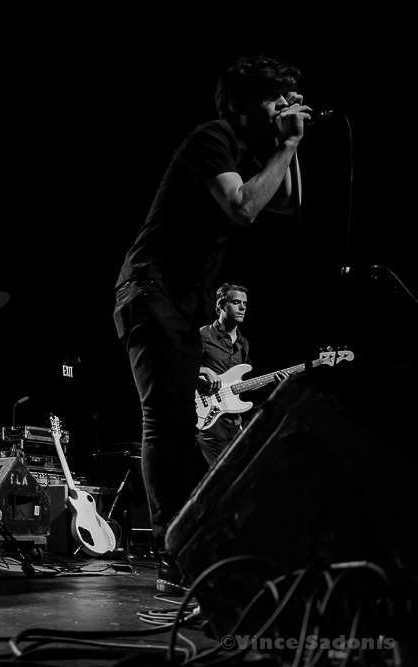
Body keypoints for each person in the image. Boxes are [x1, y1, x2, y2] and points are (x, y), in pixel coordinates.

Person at [112, 54, 311, 593]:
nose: (283, 106)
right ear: (238, 104)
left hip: (179, 303)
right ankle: (172, 555)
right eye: (273, 97)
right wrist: (286, 145)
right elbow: (243, 206)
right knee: (166, 425)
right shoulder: (212, 137)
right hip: (149, 289)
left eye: (287, 97)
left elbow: (287, 203)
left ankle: (188, 549)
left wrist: (287, 146)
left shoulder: (247, 151)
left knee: (179, 428)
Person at [196, 284, 250, 464]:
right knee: (225, 474)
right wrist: (203, 370)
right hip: (209, 419)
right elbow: (178, 366)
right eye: (236, 302)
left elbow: (240, 384)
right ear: (220, 305)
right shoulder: (204, 335)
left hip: (234, 421)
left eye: (244, 303)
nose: (242, 308)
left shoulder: (243, 344)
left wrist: (276, 380)